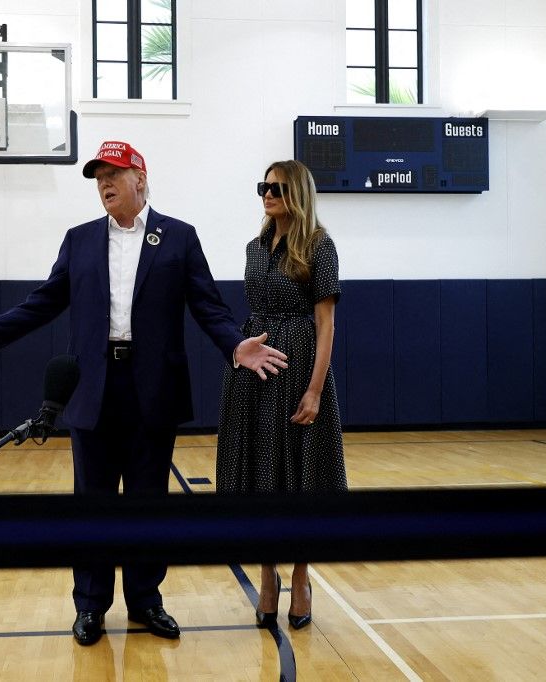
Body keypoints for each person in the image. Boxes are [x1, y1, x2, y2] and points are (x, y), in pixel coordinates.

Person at [0, 140, 288, 646]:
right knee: (93, 505)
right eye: (98, 175)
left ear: (140, 178)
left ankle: (145, 601)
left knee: (147, 504)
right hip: (93, 388)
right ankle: (91, 606)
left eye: (114, 174)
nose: (104, 183)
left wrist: (236, 346)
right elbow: (45, 301)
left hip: (153, 390)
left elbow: (208, 306)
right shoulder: (79, 240)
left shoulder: (180, 237)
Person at [216, 159, 348, 630]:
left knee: (301, 474)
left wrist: (314, 390)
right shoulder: (255, 247)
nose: (267, 194)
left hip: (297, 372)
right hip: (254, 372)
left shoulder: (319, 245)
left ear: (297, 192)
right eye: (262, 187)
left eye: (276, 187)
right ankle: (268, 574)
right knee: (258, 473)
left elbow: (326, 324)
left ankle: (301, 575)